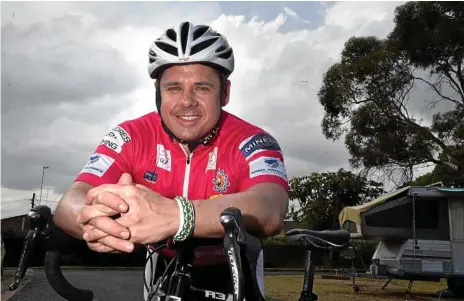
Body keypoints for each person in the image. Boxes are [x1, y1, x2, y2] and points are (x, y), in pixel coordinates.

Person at [53, 21, 289, 300]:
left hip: (233, 263)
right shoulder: (129, 136)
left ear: (224, 93)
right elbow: (70, 201)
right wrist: (91, 219)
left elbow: (271, 209)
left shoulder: (253, 141)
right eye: (174, 88)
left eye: (202, 88)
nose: (186, 101)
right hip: (161, 263)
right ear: (157, 92)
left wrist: (179, 217)